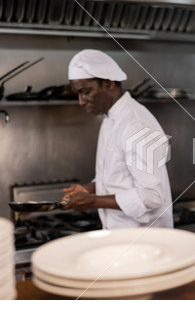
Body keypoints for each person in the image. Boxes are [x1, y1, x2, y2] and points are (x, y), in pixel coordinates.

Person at [61, 49, 173, 229]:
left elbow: (152, 196)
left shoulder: (136, 125)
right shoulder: (111, 119)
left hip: (146, 242)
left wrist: (92, 201)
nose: (81, 101)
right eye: (78, 94)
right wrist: (88, 189)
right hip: (122, 239)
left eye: (86, 92)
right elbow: (119, 177)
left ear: (108, 83)